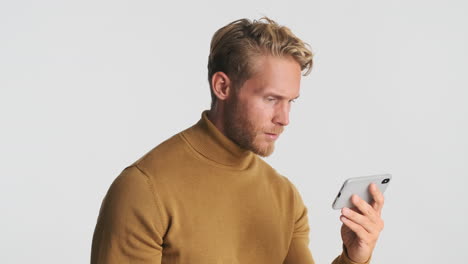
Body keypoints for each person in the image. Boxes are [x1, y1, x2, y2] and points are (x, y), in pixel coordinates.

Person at [91, 17, 385, 264]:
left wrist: (353, 257)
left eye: (290, 101)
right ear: (222, 86)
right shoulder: (144, 188)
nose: (284, 118)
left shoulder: (284, 196)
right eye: (271, 99)